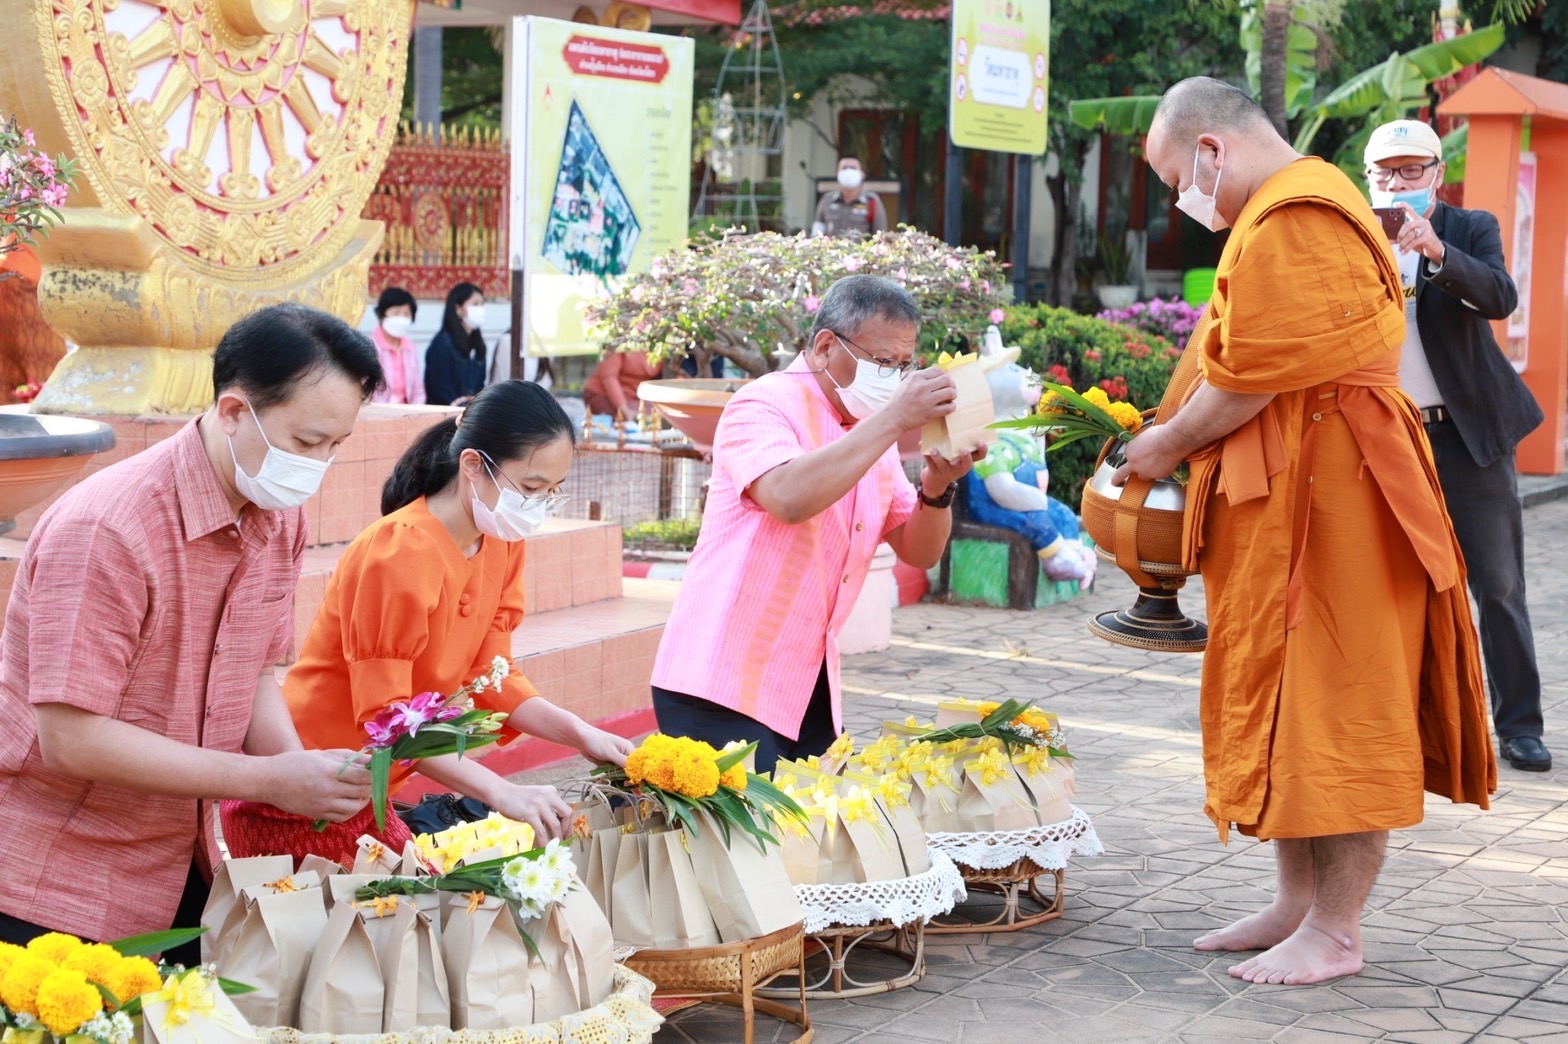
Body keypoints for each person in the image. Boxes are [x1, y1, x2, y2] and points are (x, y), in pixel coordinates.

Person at [1118, 78, 1494, 986]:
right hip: (1293, 488)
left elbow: (1249, 377)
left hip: (1343, 494)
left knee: (1339, 697)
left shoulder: (1299, 214)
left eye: (1178, 176)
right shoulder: (1282, 210)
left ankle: (1337, 928)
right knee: (1287, 700)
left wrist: (1163, 444)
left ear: (1213, 151)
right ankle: (1295, 904)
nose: (1181, 200)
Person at [0, 303, 383, 948]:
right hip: (55, 874)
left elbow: (258, 671)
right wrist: (268, 781)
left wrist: (303, 778)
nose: (317, 466)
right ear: (234, 413)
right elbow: (71, 738)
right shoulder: (109, 528)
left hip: (187, 860)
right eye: (306, 442)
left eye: (335, 445)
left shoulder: (276, 516)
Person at [219, 380, 635, 862]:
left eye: (551, 492)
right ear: (473, 465)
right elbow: (388, 721)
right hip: (302, 791)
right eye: (530, 488)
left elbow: (490, 675)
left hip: (362, 790)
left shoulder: (500, 540)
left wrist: (580, 733)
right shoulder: (399, 550)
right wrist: (502, 792)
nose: (537, 505)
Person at [650, 274, 982, 769]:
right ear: (826, 346)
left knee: (819, 839)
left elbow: (918, 550)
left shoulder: (870, 431)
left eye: (903, 366)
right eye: (882, 363)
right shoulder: (762, 403)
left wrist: (937, 489)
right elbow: (787, 497)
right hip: (723, 680)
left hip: (807, 683)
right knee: (754, 844)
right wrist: (893, 418)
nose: (893, 378)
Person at [1363, 119, 1549, 773]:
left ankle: (1520, 726)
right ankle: (1407, 725)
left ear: (1438, 175)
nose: (1398, 183)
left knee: (1497, 586)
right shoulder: (1354, 236)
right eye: (1385, 172)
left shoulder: (1469, 229)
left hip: (1469, 438)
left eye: (1413, 170)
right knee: (1398, 588)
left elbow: (1500, 297)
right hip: (1390, 440)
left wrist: (1435, 250)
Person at [425, 282, 488, 406]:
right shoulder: (443, 343)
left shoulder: (478, 345)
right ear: (458, 309)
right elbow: (441, 389)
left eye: (482, 304)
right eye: (475, 304)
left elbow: (480, 386)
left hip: (470, 415)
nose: (480, 309)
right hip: (446, 416)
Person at [371, 286, 425, 406]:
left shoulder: (411, 348)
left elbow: (418, 390)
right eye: (396, 313)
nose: (401, 318)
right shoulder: (369, 347)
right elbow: (366, 390)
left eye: (406, 314)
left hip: (409, 415)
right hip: (378, 414)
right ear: (382, 314)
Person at [813, 157, 889, 238]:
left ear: (862, 174)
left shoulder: (871, 201)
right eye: (844, 168)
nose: (848, 171)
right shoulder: (827, 200)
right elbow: (816, 234)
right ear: (838, 174)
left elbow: (880, 235)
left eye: (853, 168)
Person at [583, 349, 663, 421]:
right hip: (603, 396)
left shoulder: (661, 346)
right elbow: (609, 377)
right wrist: (625, 410)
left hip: (633, 399)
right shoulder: (619, 341)